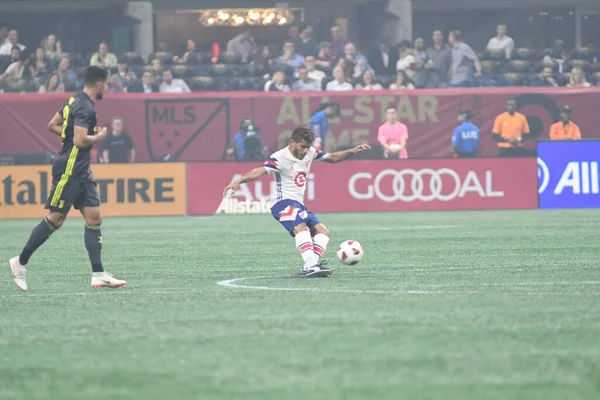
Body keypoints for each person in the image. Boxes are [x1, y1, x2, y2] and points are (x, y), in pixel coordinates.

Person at [7, 66, 127, 292]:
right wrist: (98, 137)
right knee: (56, 218)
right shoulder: (86, 108)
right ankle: (20, 262)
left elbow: (52, 125)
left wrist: (73, 135)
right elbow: (81, 141)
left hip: (81, 169)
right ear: (100, 84)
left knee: (94, 216)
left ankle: (98, 273)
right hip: (70, 168)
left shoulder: (74, 101)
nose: (107, 88)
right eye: (107, 84)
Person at [223, 126, 371, 278]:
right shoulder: (280, 157)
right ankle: (311, 266)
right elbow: (258, 171)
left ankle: (310, 265)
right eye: (303, 147)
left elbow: (333, 157)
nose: (306, 150)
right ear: (292, 142)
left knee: (323, 233)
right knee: (303, 229)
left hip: (298, 204)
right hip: (282, 203)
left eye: (308, 147)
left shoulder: (310, 152)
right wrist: (238, 181)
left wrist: (352, 151)